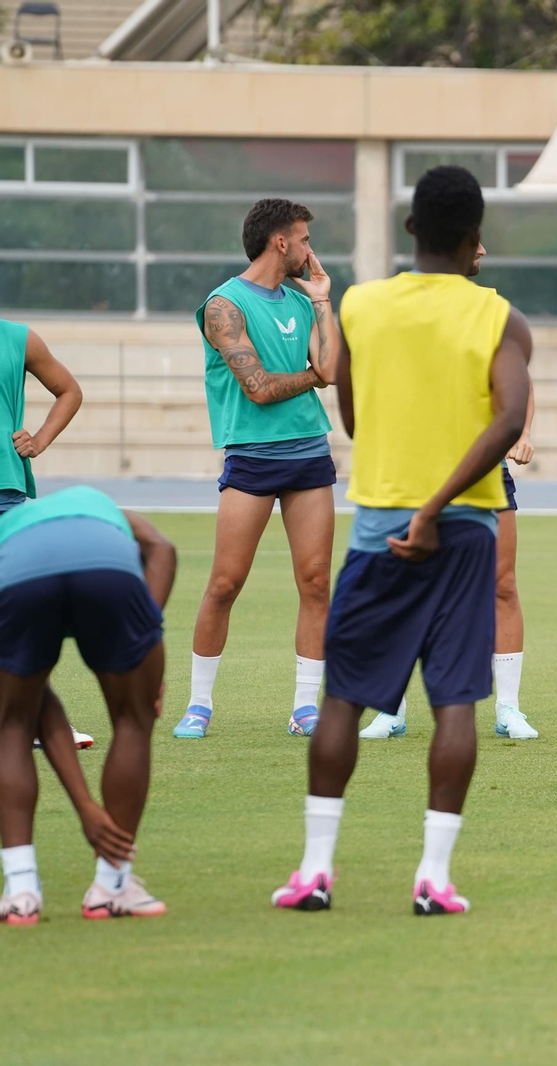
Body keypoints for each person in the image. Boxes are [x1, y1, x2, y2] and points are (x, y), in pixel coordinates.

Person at [270, 166, 532, 916]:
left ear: (411, 228)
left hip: (380, 529)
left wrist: (413, 503)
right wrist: (440, 505)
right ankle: (433, 878)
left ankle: (315, 870)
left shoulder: (361, 305)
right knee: (455, 704)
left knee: (343, 700)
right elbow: (511, 419)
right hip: (467, 530)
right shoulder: (502, 319)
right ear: (476, 236)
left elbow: (354, 419)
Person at [359, 241, 539, 743]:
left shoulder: (493, 310)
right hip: (414, 474)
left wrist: (523, 433)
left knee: (502, 585)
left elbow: (521, 384)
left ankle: (508, 709)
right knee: (402, 588)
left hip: (484, 473)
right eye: (474, 239)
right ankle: (390, 710)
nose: (483, 249)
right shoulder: (398, 311)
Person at [174, 198, 341, 740]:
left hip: (309, 455)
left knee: (316, 583)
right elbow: (260, 388)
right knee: (225, 584)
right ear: (280, 241)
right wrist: (312, 378)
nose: (311, 251)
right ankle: (198, 704)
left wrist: (322, 301)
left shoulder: (301, 299)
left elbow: (333, 368)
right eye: (305, 239)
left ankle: (305, 708)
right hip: (251, 458)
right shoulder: (224, 305)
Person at [0, 486, 176, 924]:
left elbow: (38, 704)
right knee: (133, 719)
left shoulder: (12, 527)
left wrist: (85, 807)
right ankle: (111, 887)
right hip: (107, 568)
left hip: (20, 576)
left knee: (11, 724)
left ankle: (21, 892)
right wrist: (144, 639)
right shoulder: (103, 507)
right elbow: (163, 548)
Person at [1, 318, 92, 749]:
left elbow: (69, 391)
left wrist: (38, 440)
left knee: (22, 613)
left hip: (6, 492)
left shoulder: (17, 338)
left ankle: (39, 719)